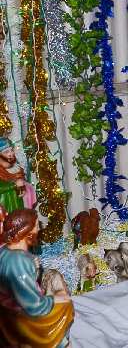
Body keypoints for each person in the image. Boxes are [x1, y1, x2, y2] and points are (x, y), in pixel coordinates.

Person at [0, 208, 74, 348]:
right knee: (66, 306)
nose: (39, 229)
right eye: (36, 226)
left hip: (9, 310)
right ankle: (57, 343)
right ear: (26, 231)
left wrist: (32, 266)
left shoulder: (4, 250)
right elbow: (34, 306)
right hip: (20, 317)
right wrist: (54, 298)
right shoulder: (18, 261)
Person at [0, 138, 35, 214]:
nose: (11, 154)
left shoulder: (16, 168)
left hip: (17, 206)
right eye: (6, 152)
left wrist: (23, 188)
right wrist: (14, 185)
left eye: (11, 150)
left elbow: (21, 182)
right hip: (4, 208)